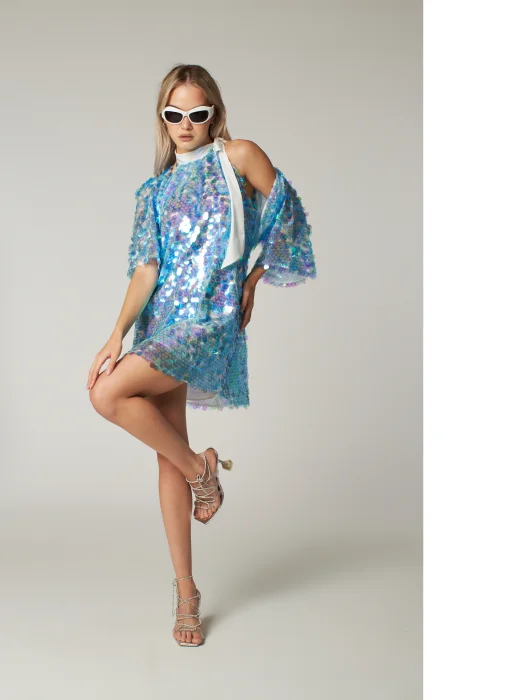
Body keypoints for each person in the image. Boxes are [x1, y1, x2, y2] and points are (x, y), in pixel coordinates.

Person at [86, 64, 317, 647]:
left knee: (107, 395)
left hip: (209, 319)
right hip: (161, 322)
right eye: (174, 114)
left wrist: (254, 278)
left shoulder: (238, 157)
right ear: (162, 119)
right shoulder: (154, 191)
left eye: (197, 113)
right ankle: (187, 592)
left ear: (214, 113)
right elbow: (147, 270)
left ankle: (200, 471)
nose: (185, 124)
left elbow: (287, 211)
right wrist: (116, 335)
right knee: (167, 455)